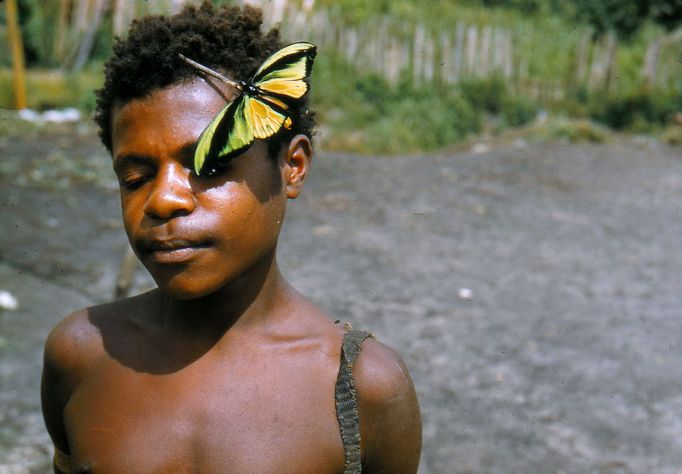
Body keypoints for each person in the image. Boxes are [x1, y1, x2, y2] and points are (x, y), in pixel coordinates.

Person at [40, 3, 421, 473]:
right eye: (136, 177)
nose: (164, 200)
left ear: (292, 166)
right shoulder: (80, 354)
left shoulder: (367, 388)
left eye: (211, 166)